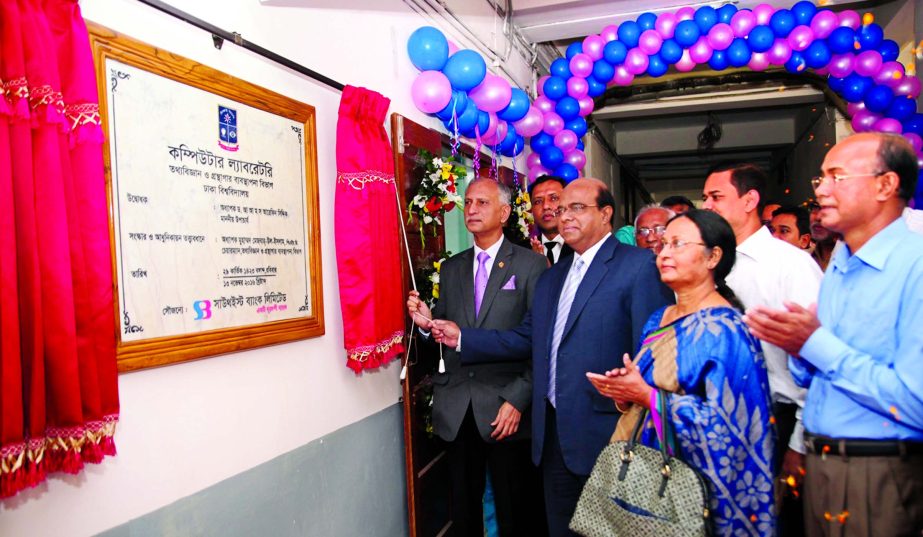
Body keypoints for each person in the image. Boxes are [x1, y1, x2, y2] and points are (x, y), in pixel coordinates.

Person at [430, 178, 674, 536]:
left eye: (577, 208)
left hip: (609, 433)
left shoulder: (638, 267)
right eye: (562, 211)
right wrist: (464, 337)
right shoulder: (553, 275)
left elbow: (653, 354)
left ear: (606, 214)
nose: (565, 217)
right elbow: (527, 339)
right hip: (553, 437)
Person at [743, 133, 923, 537]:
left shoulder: (915, 265)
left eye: (837, 176)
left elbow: (916, 402)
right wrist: (798, 347)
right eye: (821, 179)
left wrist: (814, 344)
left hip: (880, 471)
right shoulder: (842, 262)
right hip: (824, 464)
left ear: (886, 185)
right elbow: (817, 376)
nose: (821, 189)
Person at [588, 209, 776, 536]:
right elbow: (650, 388)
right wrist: (625, 392)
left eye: (678, 244)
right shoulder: (659, 318)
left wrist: (645, 395)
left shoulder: (727, 330)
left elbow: (729, 426)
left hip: (689, 486)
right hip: (640, 473)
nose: (664, 254)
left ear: (713, 256)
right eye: (663, 245)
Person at [406, 178, 548, 537]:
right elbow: (448, 333)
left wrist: (518, 399)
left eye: (482, 203)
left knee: (513, 509)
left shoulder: (531, 266)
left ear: (503, 212)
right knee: (464, 511)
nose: (471, 210)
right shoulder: (453, 268)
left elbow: (540, 343)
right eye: (468, 202)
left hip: (504, 407)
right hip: (457, 407)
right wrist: (426, 324)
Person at [702, 162, 822, 536]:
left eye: (716, 197)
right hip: (713, 420)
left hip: (776, 421)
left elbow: (816, 360)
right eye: (705, 197)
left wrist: (799, 442)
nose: (706, 205)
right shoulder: (707, 264)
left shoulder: (791, 266)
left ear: (750, 200)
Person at [528, 175, 572, 265]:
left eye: (553, 198)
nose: (545, 206)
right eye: (538, 201)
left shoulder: (582, 247)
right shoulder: (521, 251)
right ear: (531, 209)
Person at [807, 202, 837, 271]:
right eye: (815, 208)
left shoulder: (857, 260)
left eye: (828, 209)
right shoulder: (802, 259)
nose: (818, 217)